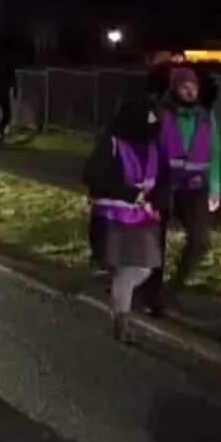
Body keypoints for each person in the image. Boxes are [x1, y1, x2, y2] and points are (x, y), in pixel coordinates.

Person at [138, 66, 221, 315]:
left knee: (200, 241)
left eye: (194, 86)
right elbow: (150, 148)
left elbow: (215, 153)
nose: (191, 90)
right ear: (174, 88)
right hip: (164, 184)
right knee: (156, 241)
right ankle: (152, 295)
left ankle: (171, 291)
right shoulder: (160, 114)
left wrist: (215, 188)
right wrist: (146, 185)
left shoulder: (205, 117)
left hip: (195, 186)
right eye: (185, 86)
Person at [85, 99, 164, 343]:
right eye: (149, 120)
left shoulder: (151, 146)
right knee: (128, 269)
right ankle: (122, 320)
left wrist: (155, 201)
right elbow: (94, 177)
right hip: (112, 219)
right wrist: (132, 194)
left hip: (140, 219)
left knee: (142, 268)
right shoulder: (112, 143)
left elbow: (158, 179)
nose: (153, 125)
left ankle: (121, 316)